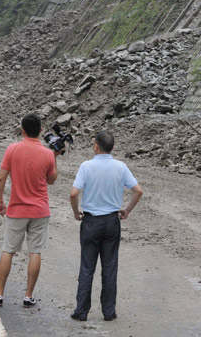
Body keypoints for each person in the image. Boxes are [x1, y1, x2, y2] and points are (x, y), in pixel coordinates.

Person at [69, 130, 143, 321]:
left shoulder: (86, 166)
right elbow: (138, 190)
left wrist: (76, 212)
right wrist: (126, 210)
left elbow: (73, 193)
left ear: (95, 146)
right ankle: (109, 311)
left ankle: (81, 311)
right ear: (112, 148)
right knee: (109, 267)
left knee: (87, 267)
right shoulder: (121, 166)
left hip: (91, 221)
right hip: (112, 221)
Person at [0, 113, 61, 308]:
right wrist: (55, 158)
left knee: (8, 250)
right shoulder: (47, 153)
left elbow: (1, 179)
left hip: (16, 209)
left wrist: (0, 202)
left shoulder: (12, 149)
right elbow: (51, 180)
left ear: (22, 130)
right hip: (39, 210)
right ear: (40, 131)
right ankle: (28, 296)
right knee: (35, 252)